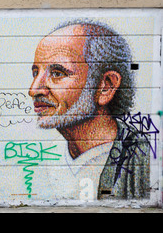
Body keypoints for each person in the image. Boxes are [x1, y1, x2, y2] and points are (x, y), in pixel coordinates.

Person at [28, 19, 149, 199]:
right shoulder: (42, 160)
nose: (34, 90)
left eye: (57, 73)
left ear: (105, 87)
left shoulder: (142, 160)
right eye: (36, 73)